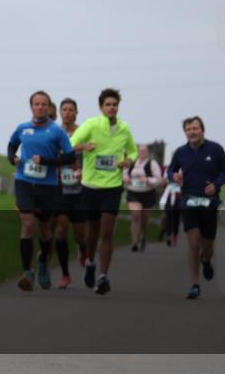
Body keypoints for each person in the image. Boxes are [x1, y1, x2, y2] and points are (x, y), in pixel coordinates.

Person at [69, 87, 137, 295]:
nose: (111, 108)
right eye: (107, 104)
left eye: (114, 104)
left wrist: (128, 160)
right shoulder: (91, 124)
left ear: (118, 107)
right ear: (101, 107)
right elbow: (69, 144)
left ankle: (103, 276)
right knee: (93, 231)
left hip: (113, 187)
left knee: (107, 232)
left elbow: (133, 150)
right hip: (90, 186)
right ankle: (90, 262)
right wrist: (84, 147)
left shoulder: (124, 128)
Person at [7, 90, 75, 291]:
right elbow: (11, 147)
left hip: (48, 185)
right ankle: (27, 272)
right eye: (36, 104)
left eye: (44, 104)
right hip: (24, 181)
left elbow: (70, 158)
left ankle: (43, 259)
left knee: (45, 231)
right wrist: (13, 159)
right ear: (31, 107)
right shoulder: (22, 128)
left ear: (49, 107)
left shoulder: (57, 131)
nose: (40, 107)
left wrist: (47, 161)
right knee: (27, 225)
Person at [167, 116, 225, 300]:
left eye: (195, 128)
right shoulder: (180, 152)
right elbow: (170, 170)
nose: (192, 132)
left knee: (207, 245)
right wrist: (174, 177)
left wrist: (216, 185)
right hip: (189, 201)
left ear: (202, 130)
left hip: (209, 203)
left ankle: (206, 260)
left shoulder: (216, 149)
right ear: (185, 132)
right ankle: (195, 284)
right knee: (193, 241)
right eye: (189, 129)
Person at [53, 97, 84, 287]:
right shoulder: (54, 132)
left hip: (80, 189)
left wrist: (84, 172)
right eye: (64, 109)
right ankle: (65, 274)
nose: (67, 113)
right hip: (60, 187)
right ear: (60, 113)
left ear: (76, 113)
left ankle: (83, 249)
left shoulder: (84, 132)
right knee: (61, 230)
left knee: (80, 235)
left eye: (71, 109)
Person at [123, 145, 162, 252]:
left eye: (144, 151)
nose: (141, 153)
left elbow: (158, 179)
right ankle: (134, 242)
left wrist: (148, 180)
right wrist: (126, 179)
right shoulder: (131, 162)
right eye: (139, 151)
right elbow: (124, 174)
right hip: (133, 192)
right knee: (136, 215)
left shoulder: (152, 164)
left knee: (144, 219)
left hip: (147, 194)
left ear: (148, 152)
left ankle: (143, 236)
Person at [159, 174, 182, 247]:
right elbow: (163, 184)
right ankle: (168, 236)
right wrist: (164, 182)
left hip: (178, 197)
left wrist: (180, 181)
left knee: (176, 219)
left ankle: (175, 235)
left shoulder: (184, 168)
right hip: (169, 197)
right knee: (168, 218)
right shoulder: (169, 171)